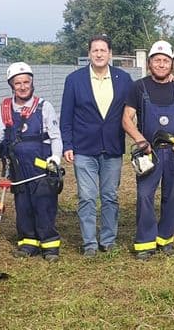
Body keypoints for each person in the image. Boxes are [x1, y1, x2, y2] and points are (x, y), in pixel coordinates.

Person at [0, 62, 64, 262]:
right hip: (17, 166)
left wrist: (56, 157)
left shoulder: (43, 107)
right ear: (11, 85)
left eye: (26, 82)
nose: (23, 86)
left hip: (41, 166)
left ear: (32, 83)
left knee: (44, 203)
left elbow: (56, 137)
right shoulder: (6, 107)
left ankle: (49, 245)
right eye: (18, 83)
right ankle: (28, 242)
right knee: (23, 205)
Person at [60, 35, 133, 258]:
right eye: (95, 50)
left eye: (103, 50)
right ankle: (89, 243)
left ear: (110, 53)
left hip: (112, 147)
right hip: (84, 148)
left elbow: (135, 105)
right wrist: (67, 144)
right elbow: (66, 116)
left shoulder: (124, 79)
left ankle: (108, 240)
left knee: (110, 195)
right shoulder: (74, 80)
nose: (99, 54)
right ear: (89, 54)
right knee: (87, 196)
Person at [122, 40, 174, 260]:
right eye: (157, 60)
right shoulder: (139, 87)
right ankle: (145, 242)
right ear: (150, 63)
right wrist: (139, 139)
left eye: (165, 61)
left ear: (171, 63)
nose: (161, 64)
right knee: (145, 196)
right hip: (150, 152)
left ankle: (165, 239)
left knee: (173, 196)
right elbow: (126, 118)